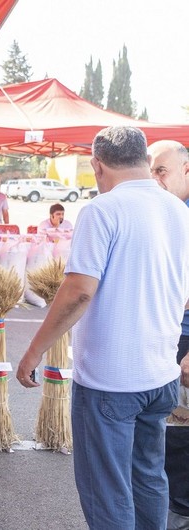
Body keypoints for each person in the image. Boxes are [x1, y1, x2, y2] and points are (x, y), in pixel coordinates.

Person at [17, 127, 189, 530]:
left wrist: (34, 350)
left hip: (112, 381)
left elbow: (79, 291)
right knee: (148, 476)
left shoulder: (102, 209)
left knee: (106, 489)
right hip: (159, 374)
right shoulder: (177, 209)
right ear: (145, 161)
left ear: (97, 165)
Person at [148, 139, 189, 530]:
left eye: (161, 170)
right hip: (165, 334)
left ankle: (179, 511)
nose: (154, 179)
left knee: (181, 428)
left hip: (186, 342)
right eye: (150, 171)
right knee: (167, 425)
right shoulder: (164, 211)